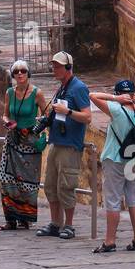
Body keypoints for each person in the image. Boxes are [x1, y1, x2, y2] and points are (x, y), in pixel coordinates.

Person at [89, 79, 135, 253]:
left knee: (113, 200)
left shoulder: (116, 110)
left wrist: (115, 99)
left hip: (115, 158)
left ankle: (110, 241)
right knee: (134, 199)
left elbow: (93, 95)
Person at [37, 51, 92, 241]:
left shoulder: (78, 88)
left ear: (69, 67)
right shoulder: (62, 87)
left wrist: (67, 111)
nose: (55, 69)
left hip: (70, 145)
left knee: (66, 186)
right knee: (51, 185)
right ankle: (55, 223)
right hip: (56, 142)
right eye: (54, 66)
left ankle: (69, 225)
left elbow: (87, 117)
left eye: (58, 66)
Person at [0, 60, 50, 230]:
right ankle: (10, 218)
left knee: (27, 181)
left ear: (28, 74)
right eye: (16, 72)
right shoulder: (9, 93)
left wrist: (41, 133)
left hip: (30, 142)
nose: (20, 74)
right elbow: (5, 114)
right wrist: (7, 122)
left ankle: (25, 218)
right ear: (13, 75)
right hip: (13, 139)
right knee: (7, 177)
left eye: (23, 71)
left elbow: (46, 115)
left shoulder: (37, 93)